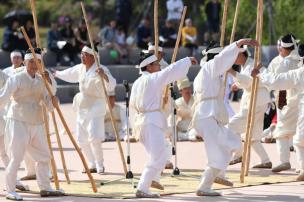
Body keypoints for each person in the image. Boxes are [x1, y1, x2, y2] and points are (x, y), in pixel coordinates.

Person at [192, 39, 258, 196]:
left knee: (233, 143)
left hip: (211, 115)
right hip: (207, 115)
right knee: (220, 153)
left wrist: (249, 74)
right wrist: (240, 43)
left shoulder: (214, 72)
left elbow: (243, 80)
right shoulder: (210, 68)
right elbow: (222, 59)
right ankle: (205, 186)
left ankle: (217, 175)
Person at [130, 52, 197, 198]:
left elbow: (131, 106)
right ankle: (143, 187)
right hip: (151, 121)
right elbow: (170, 71)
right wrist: (186, 60)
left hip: (142, 122)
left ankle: (153, 179)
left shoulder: (137, 82)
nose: (159, 66)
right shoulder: (152, 79)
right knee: (159, 156)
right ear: (148, 66)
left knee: (165, 150)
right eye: (156, 64)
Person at [0, 48, 63, 200]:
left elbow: (48, 102)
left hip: (37, 121)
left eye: (38, 62)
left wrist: (54, 102)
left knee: (43, 156)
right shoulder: (16, 78)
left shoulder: (42, 80)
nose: (35, 65)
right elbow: (3, 97)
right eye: (31, 62)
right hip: (18, 121)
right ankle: (10, 190)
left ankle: (45, 187)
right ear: (25, 62)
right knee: (16, 157)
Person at [54, 45, 116, 174]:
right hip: (83, 105)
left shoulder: (101, 69)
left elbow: (112, 85)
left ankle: (100, 164)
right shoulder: (80, 68)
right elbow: (69, 74)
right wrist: (56, 74)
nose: (82, 56)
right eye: (81, 54)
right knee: (81, 138)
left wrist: (104, 76)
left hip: (97, 104)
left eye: (85, 55)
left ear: (93, 57)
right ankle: (91, 163)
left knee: (94, 136)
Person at [256, 43, 304, 181]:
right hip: (295, 103)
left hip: (290, 102)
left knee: (297, 139)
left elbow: (277, 81)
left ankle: (292, 163)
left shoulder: (298, 71)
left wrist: (261, 72)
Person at [227, 47, 272, 168]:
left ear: (242, 55)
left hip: (255, 102)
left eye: (236, 56)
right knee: (252, 135)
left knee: (232, 126)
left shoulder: (253, 64)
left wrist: (232, 72)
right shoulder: (246, 66)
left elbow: (248, 81)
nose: (234, 59)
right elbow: (247, 81)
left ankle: (238, 154)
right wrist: (236, 84)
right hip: (258, 101)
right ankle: (265, 160)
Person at [267, 34, 301, 173]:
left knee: (281, 132)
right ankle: (301, 166)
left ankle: (284, 161)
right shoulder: (299, 59)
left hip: (288, 100)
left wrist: (261, 75)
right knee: (299, 134)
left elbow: (276, 81)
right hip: (296, 100)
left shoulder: (285, 62)